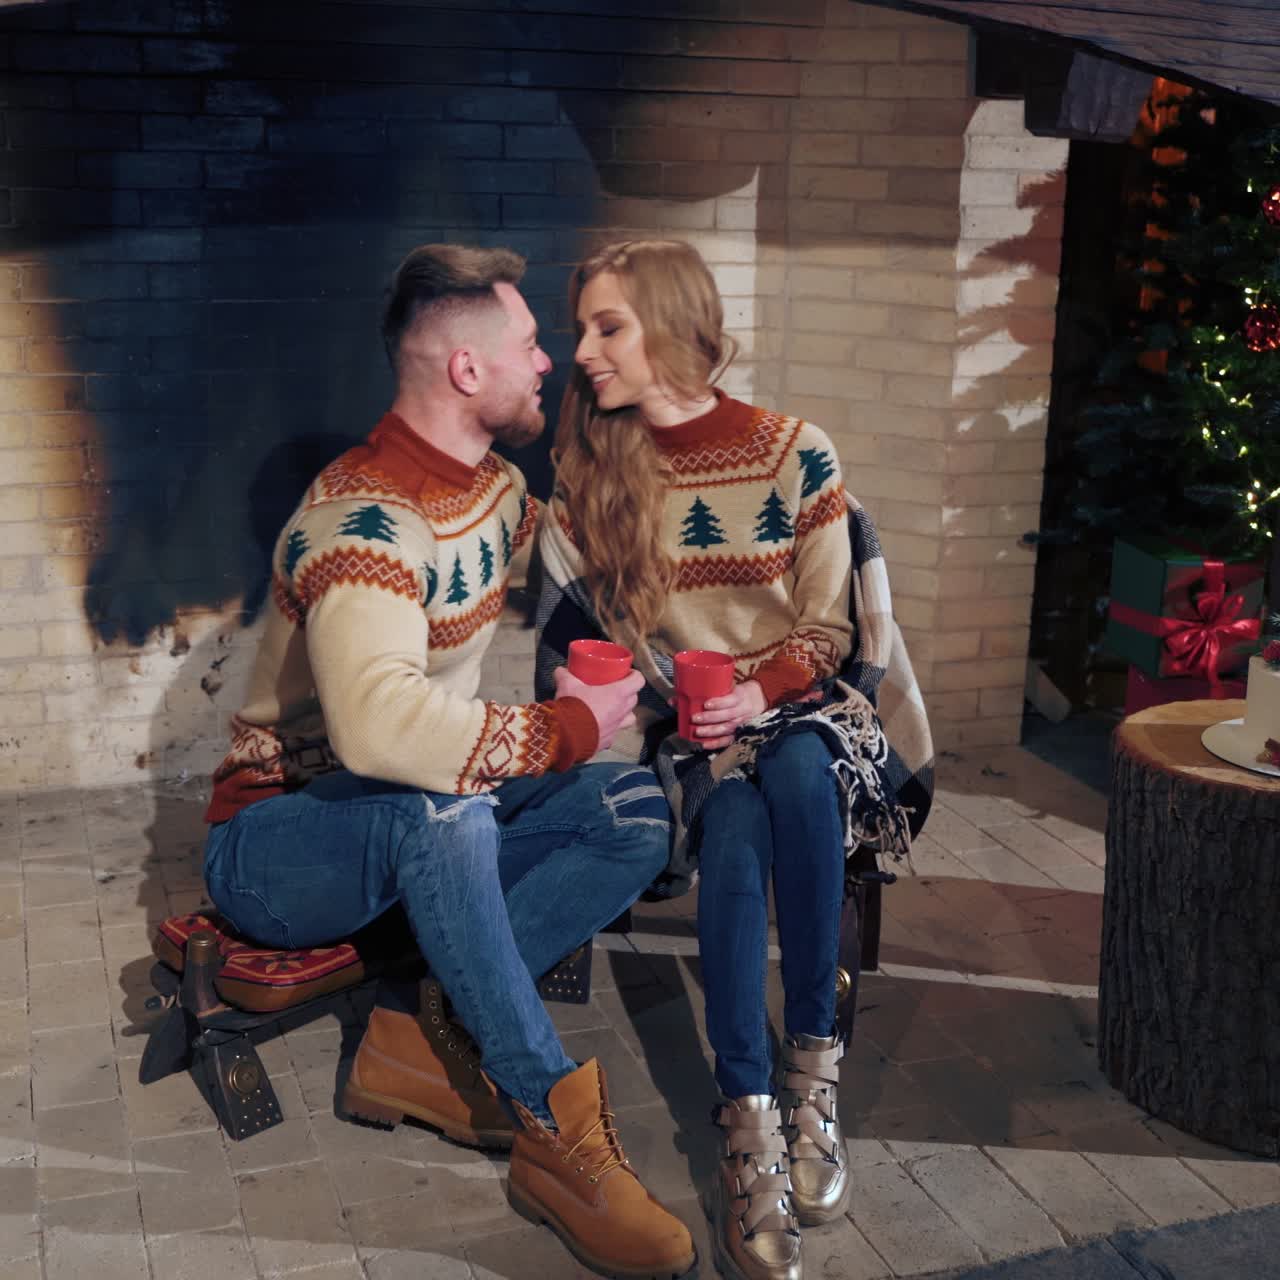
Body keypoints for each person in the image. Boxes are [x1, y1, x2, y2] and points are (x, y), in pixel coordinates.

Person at [202, 243, 697, 1280]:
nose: (549, 361)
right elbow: (382, 730)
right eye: (528, 344)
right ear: (466, 371)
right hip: (279, 843)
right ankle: (549, 1120)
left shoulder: (495, 492)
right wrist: (556, 728)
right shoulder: (363, 519)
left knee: (631, 808)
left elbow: (599, 564)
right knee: (450, 804)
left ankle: (414, 1035)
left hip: (414, 824)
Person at [536, 240, 932, 1280]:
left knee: (796, 774)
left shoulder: (795, 450)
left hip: (803, 707)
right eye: (580, 328)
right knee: (741, 816)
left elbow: (829, 626)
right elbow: (596, 641)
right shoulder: (589, 475)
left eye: (605, 325)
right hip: (688, 729)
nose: (582, 349)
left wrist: (760, 691)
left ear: (670, 325)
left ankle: (804, 1081)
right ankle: (755, 1114)